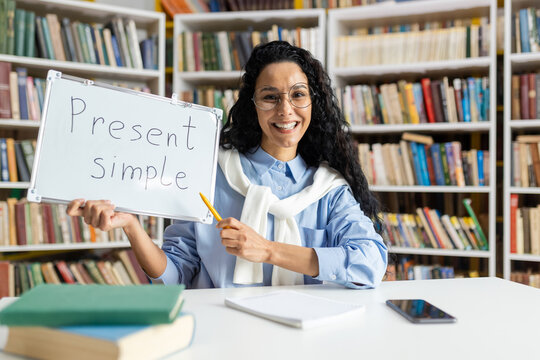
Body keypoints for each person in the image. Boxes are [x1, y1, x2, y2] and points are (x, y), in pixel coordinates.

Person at [67, 41, 387, 289]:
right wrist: (132, 228)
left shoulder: (328, 190)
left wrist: (268, 251)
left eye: (298, 95)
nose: (286, 110)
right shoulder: (210, 175)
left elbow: (370, 263)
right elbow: (174, 277)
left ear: (312, 102)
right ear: (254, 106)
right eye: (270, 97)